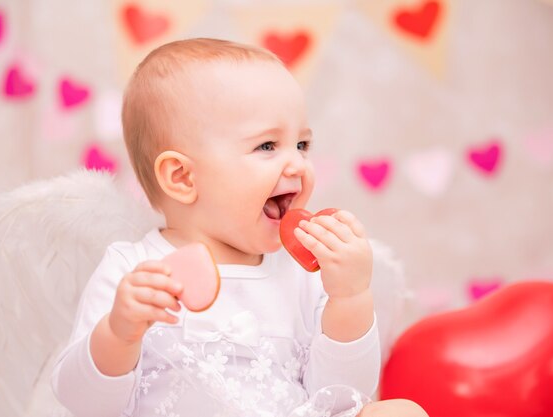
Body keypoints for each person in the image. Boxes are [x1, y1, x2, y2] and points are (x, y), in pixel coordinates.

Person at [51, 38, 427, 417]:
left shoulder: (305, 275)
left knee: (399, 412)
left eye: (301, 144)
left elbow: (342, 397)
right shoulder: (133, 272)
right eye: (267, 146)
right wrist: (119, 334)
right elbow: (84, 404)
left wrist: (350, 297)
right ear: (182, 177)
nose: (297, 164)